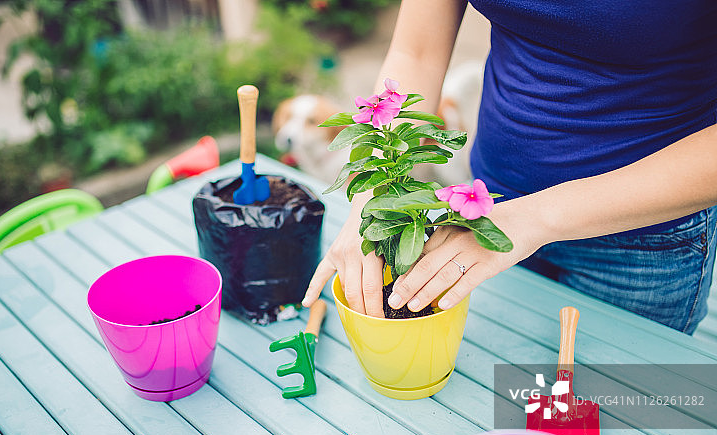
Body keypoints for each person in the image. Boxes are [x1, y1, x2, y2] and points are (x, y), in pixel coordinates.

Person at [301, 0, 717, 334]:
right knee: (507, 397)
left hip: (638, 247)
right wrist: (375, 197)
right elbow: (418, 51)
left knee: (620, 421)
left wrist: (535, 219)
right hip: (488, 215)